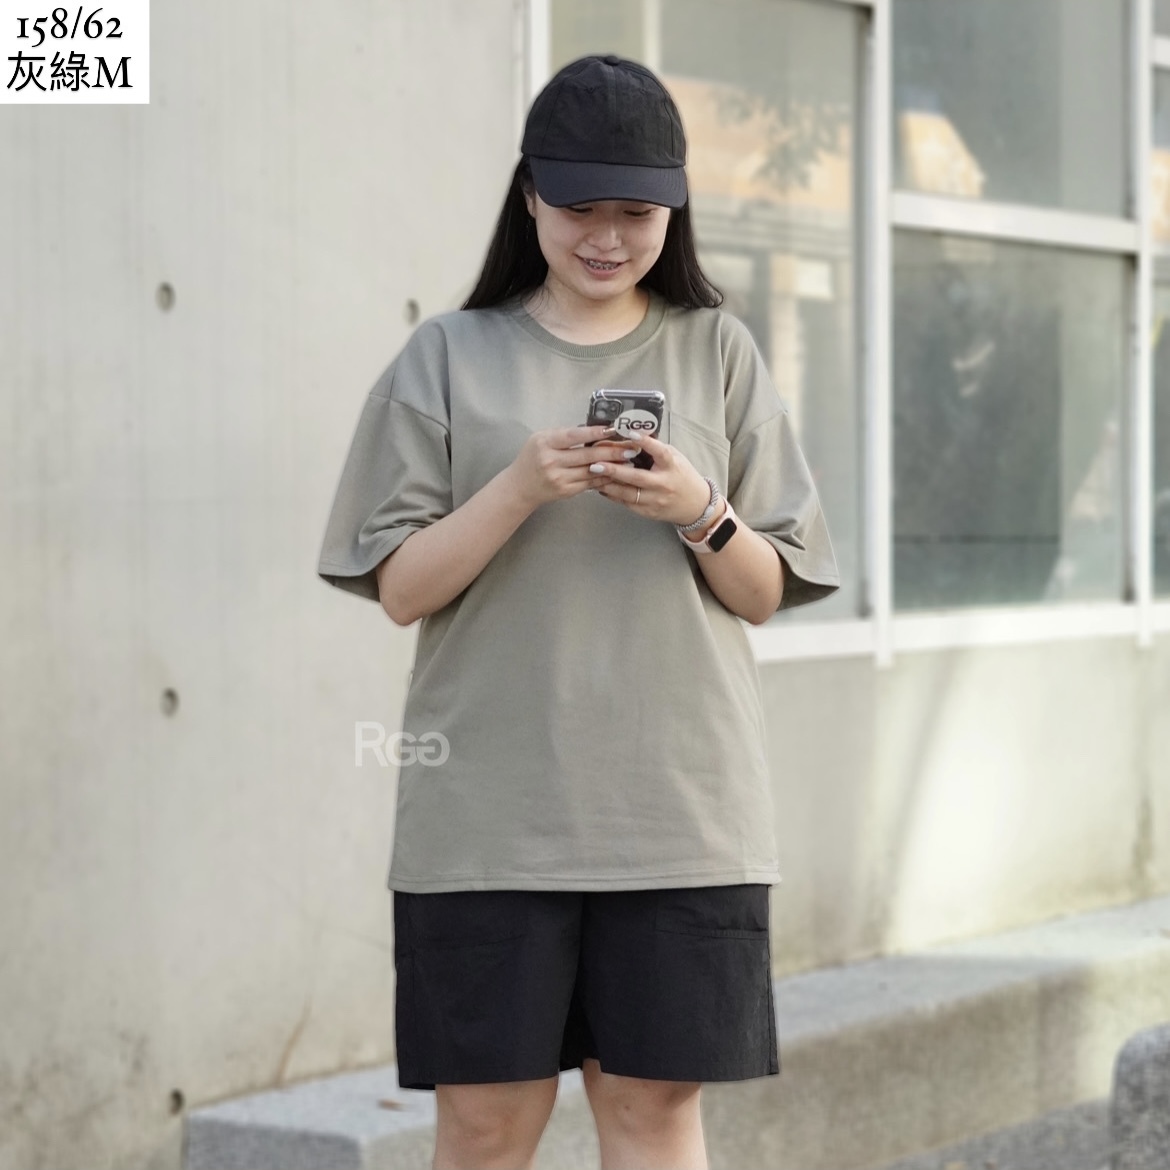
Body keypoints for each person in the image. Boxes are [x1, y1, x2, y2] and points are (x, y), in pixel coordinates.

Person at [317, 53, 839, 1170]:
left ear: (674, 212)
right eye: (578, 208)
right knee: (485, 1125)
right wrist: (517, 487)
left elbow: (765, 593)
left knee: (653, 1115)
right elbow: (400, 590)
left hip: (681, 816)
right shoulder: (446, 355)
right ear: (530, 198)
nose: (606, 237)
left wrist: (701, 511)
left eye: (636, 213)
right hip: (487, 825)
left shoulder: (720, 350)